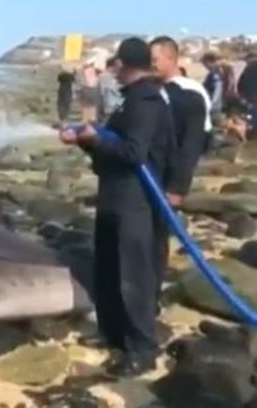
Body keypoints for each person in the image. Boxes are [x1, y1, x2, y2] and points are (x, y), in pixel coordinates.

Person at [59, 37, 175, 376]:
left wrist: (94, 139)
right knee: (108, 269)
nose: (115, 71)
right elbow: (111, 148)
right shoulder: (129, 101)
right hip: (114, 194)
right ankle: (114, 335)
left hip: (135, 202)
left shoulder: (147, 102)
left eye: (117, 65)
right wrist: (86, 141)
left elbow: (133, 153)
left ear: (124, 65)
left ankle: (142, 349)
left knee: (132, 276)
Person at [149, 35, 211, 310]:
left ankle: (150, 295)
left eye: (154, 60)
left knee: (156, 236)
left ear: (171, 59)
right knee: (148, 234)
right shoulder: (161, 90)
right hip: (152, 174)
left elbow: (193, 144)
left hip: (168, 178)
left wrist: (177, 186)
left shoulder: (188, 93)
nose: (150, 65)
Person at [97, 56, 123, 121]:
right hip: (109, 111)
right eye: (117, 66)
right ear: (112, 66)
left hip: (105, 111)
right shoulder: (106, 76)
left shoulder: (101, 76)